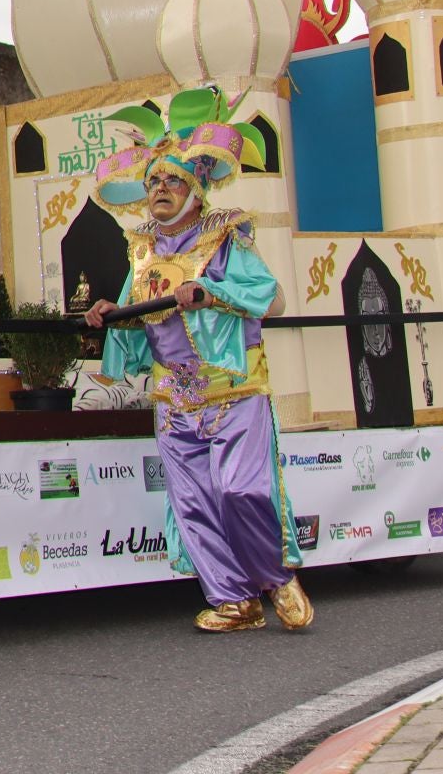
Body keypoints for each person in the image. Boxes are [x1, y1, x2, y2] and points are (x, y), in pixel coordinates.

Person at [81, 88, 309, 633]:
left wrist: (212, 292)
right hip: (174, 398)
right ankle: (234, 600)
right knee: (194, 501)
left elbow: (274, 300)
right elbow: (142, 310)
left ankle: (276, 579)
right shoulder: (141, 250)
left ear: (196, 190)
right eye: (154, 181)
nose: (160, 189)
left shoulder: (225, 239)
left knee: (240, 488)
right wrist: (113, 311)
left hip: (232, 388)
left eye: (172, 180)